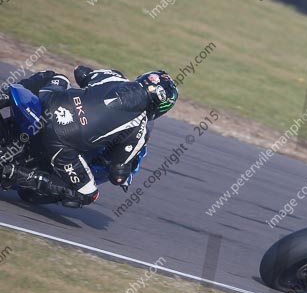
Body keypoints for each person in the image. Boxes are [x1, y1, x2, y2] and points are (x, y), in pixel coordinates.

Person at [1, 66, 178, 207]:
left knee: (55, 76)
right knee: (87, 194)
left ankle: (3, 94)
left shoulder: (115, 77)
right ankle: (14, 173)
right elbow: (117, 171)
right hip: (60, 143)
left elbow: (81, 72)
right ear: (160, 107)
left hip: (50, 101)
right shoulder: (139, 127)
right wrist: (122, 176)